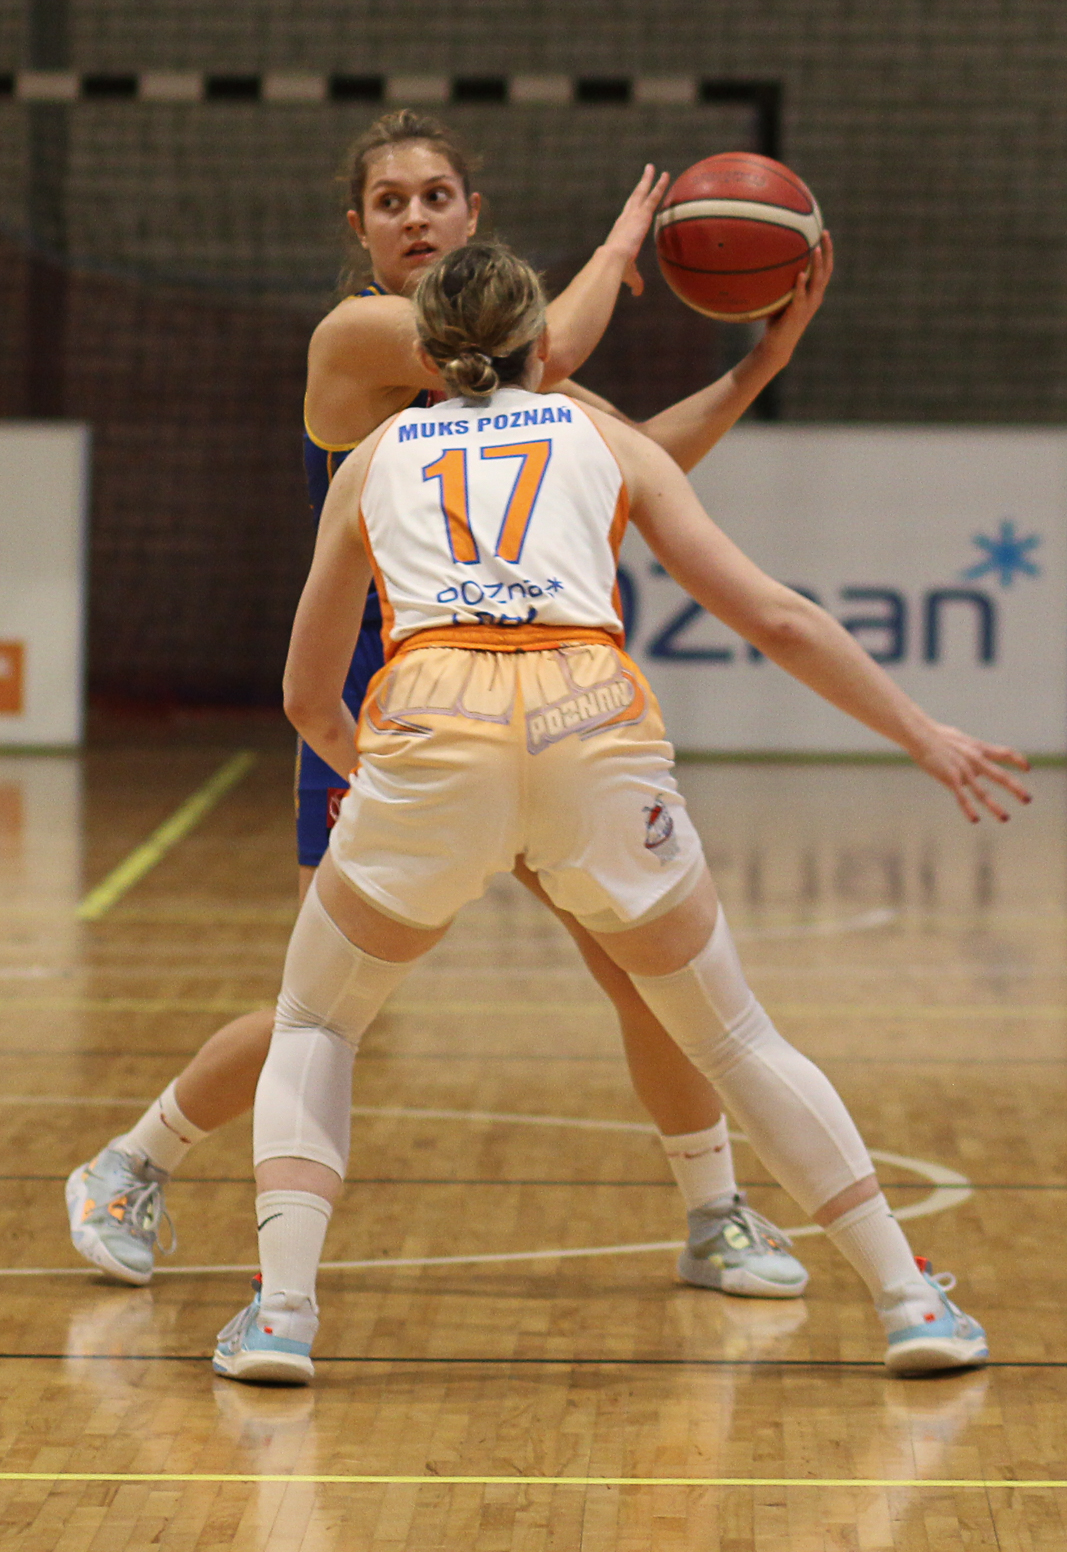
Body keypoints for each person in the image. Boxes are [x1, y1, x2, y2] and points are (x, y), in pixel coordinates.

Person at [212, 241, 1029, 1385]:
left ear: (428, 354)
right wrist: (922, 735)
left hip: (432, 726)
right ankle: (907, 1299)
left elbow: (306, 695)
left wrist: (384, 783)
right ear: (542, 343)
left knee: (315, 1024)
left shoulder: (372, 459)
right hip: (588, 723)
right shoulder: (603, 437)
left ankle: (284, 1316)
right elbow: (776, 618)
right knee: (732, 1035)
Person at [67, 109, 832, 1301]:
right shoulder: (357, 337)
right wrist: (619, 244)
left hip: (531, 713)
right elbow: (559, 345)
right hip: (383, 714)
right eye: (391, 202)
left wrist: (757, 365)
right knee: (325, 1008)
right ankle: (131, 1160)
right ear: (359, 230)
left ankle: (712, 1212)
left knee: (636, 974)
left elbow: (637, 463)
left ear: (472, 214)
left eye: (436, 196)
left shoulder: (521, 384)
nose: (415, 217)